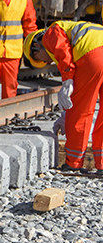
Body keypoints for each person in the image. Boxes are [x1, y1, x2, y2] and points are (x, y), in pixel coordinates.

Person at [25, 22, 103, 172]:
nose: (47, 62)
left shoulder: (49, 34)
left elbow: (62, 50)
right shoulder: (76, 28)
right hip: (95, 53)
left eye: (40, 59)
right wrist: (64, 116)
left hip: (93, 56)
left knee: (81, 112)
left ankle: (73, 162)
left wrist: (67, 78)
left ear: (36, 46)